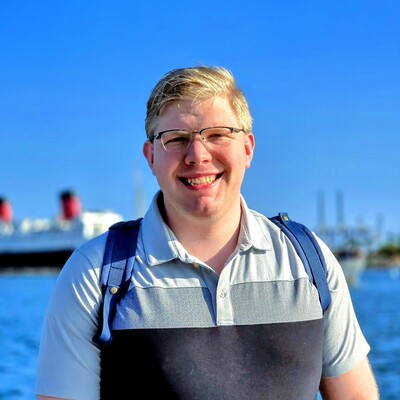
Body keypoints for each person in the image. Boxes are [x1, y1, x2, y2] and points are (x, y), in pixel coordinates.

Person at [36, 66, 379, 400]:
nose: (197, 155)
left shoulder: (309, 262)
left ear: (247, 148)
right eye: (176, 139)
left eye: (217, 135)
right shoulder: (94, 275)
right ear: (151, 157)